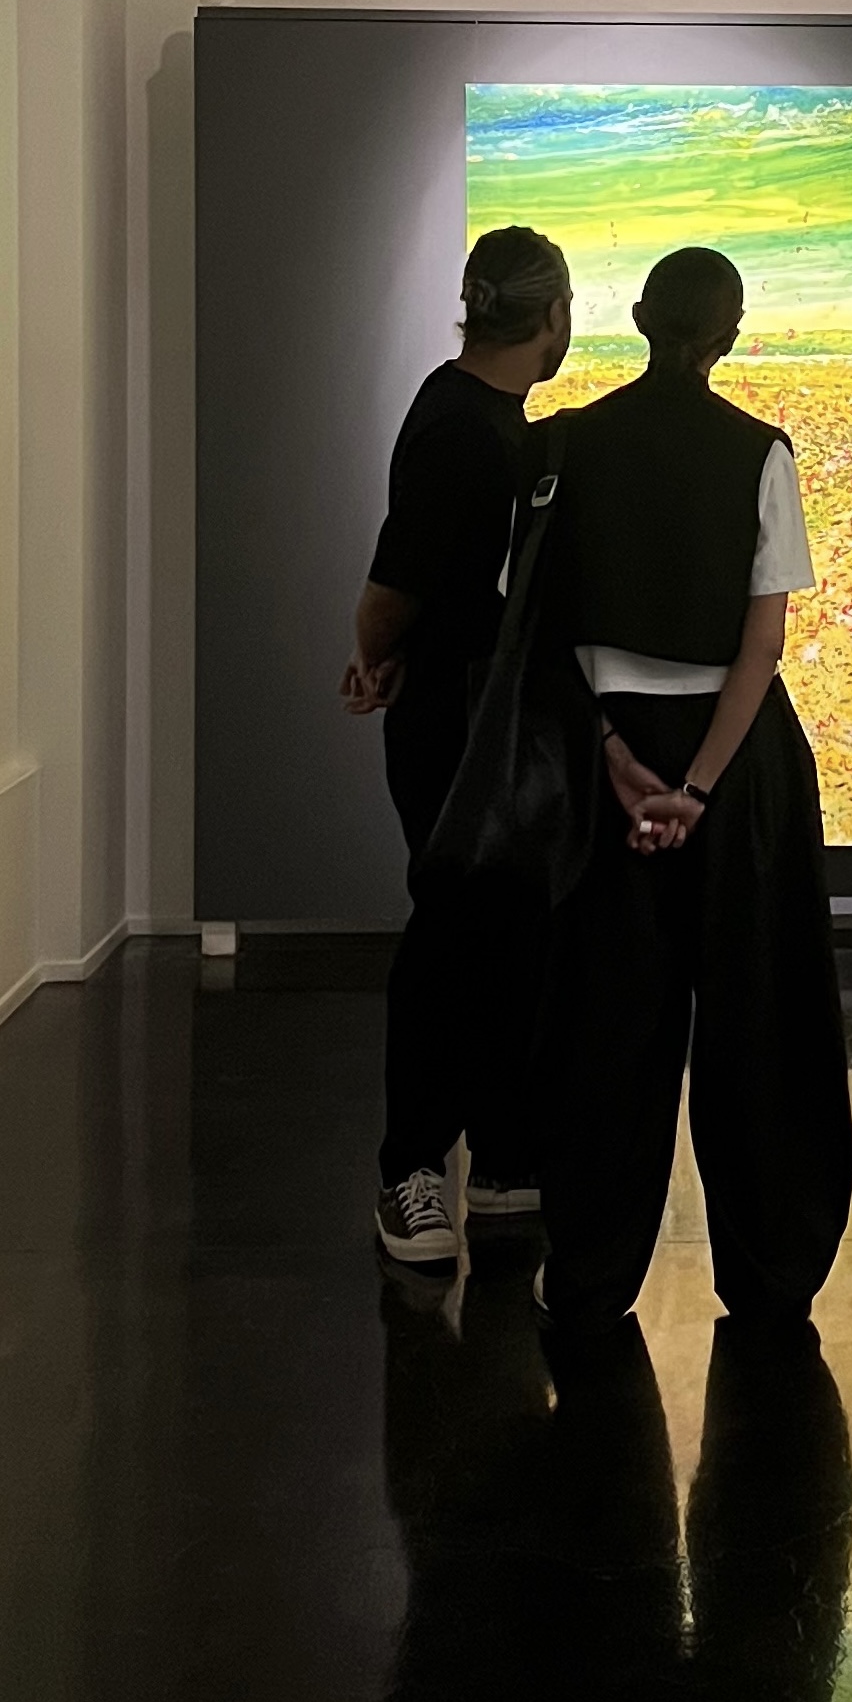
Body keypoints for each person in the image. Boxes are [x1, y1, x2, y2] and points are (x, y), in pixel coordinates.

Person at [532, 245, 852, 1363]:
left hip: (606, 758)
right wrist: (699, 787)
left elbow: (546, 631)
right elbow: (761, 648)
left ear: (636, 317)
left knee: (606, 1024)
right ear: (732, 334)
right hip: (738, 766)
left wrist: (617, 758)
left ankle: (589, 1271)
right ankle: (771, 1272)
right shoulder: (760, 451)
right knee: (759, 1022)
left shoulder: (564, 444)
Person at [344, 225, 571, 1265]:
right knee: (452, 932)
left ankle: (505, 1154)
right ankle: (413, 1169)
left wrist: (387, 652)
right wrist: (375, 651)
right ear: (552, 316)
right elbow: (393, 585)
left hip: (478, 711)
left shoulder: (474, 413)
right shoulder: (464, 431)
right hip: (454, 720)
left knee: (500, 927)